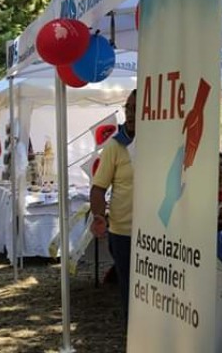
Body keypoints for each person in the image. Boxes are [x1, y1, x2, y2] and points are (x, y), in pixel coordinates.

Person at [90, 90, 136, 319]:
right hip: (124, 232)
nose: (131, 113)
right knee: (130, 289)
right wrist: (99, 215)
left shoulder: (162, 142)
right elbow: (98, 188)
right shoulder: (115, 146)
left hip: (159, 232)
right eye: (128, 108)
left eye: (137, 109)